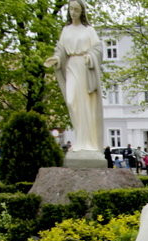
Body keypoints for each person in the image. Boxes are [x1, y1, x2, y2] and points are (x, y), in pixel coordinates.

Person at [43, 0, 103, 152]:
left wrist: (90, 56)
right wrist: (56, 58)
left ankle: (87, 142)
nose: (73, 12)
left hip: (84, 67)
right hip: (71, 66)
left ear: (81, 11)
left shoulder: (89, 30)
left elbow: (97, 49)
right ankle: (80, 139)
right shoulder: (66, 30)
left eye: (76, 9)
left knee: (85, 104)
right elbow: (61, 50)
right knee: (71, 102)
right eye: (71, 9)